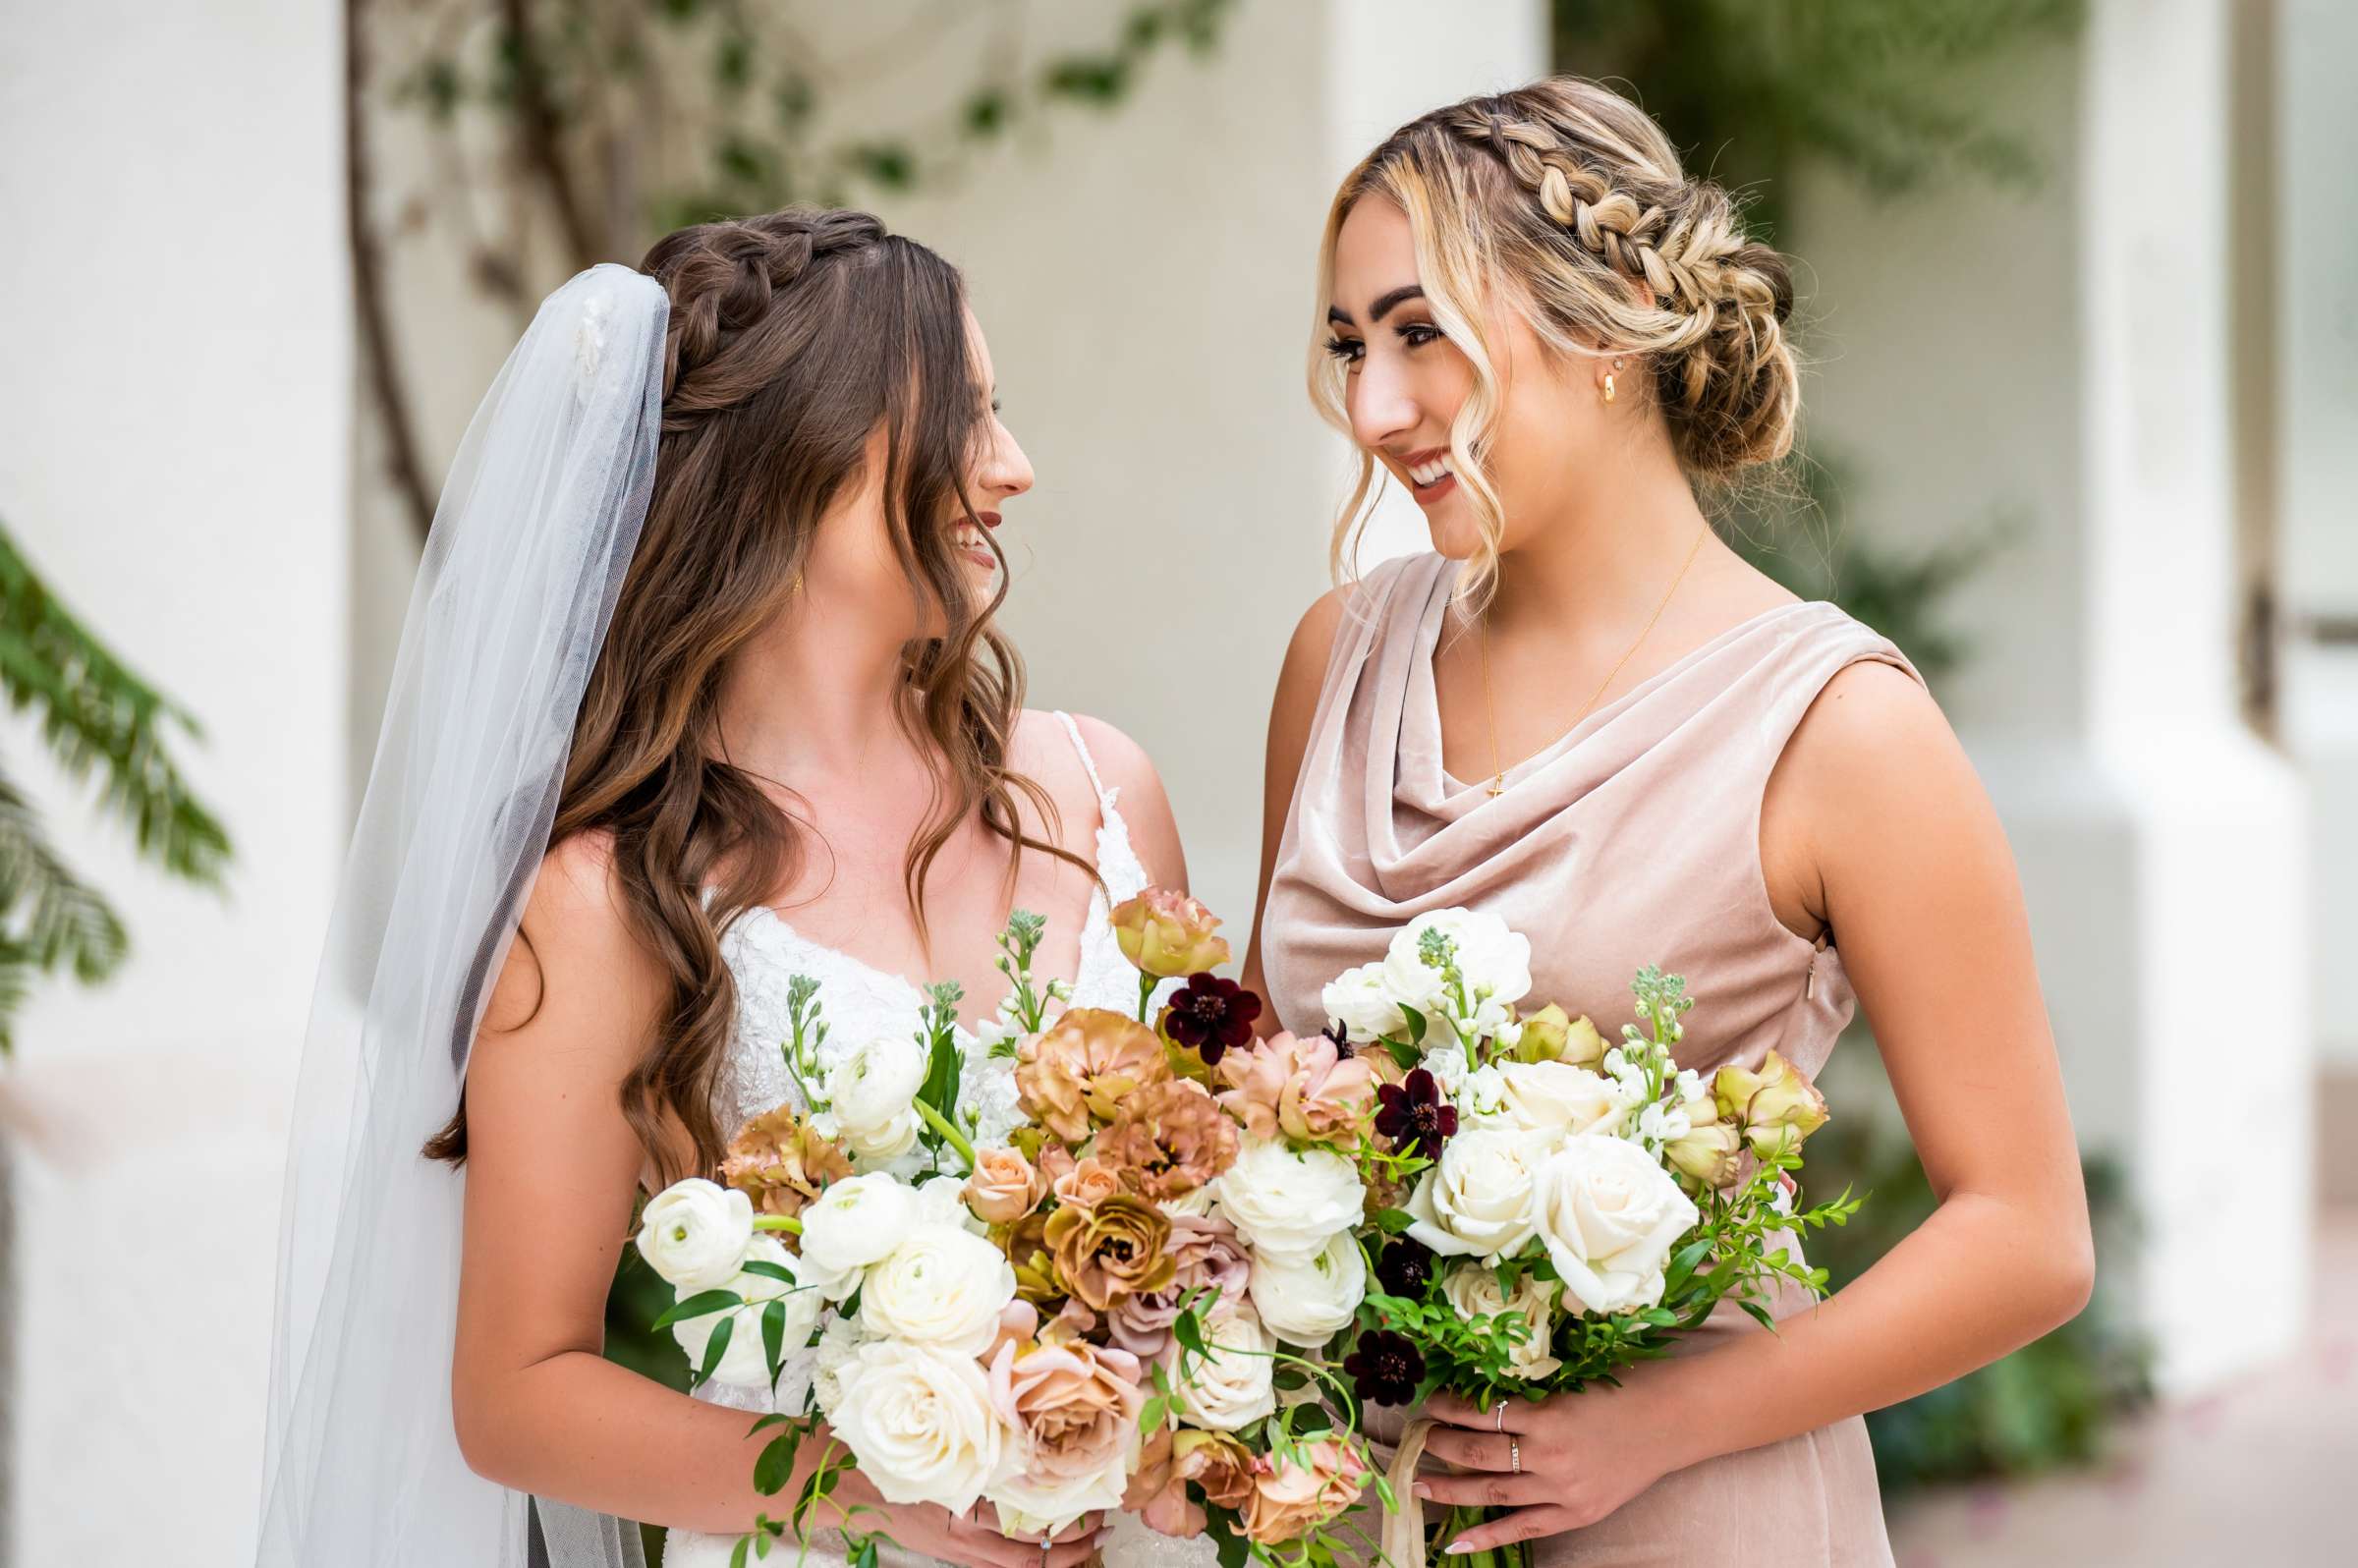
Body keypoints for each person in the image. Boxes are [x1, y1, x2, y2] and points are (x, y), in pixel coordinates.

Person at [258, 208, 1210, 1568]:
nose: (1014, 469)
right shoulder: (610, 896)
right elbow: (518, 1393)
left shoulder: (1103, 794)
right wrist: (874, 1488)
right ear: (807, 460)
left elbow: (1216, 1209)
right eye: (968, 419)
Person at [1239, 79, 2093, 1565]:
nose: (1376, 409)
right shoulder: (1338, 660)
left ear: (1610, 322)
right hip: (1357, 1513)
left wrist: (1651, 1428)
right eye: (1349, 346)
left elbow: (2026, 1234)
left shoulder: (1839, 729)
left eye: (1419, 330)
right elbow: (1264, 1108)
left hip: (1687, 1508)